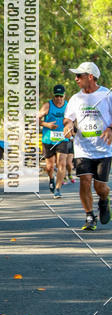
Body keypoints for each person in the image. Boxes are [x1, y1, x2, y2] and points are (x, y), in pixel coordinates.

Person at [63, 62, 112, 231]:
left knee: (100, 187)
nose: (76, 79)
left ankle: (104, 201)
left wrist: (110, 128)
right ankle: (90, 216)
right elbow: (68, 118)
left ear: (90, 77)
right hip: (82, 148)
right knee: (85, 181)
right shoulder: (76, 98)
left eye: (79, 76)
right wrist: (68, 125)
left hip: (103, 149)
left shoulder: (107, 95)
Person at [39, 84, 71, 199]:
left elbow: (74, 119)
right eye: (56, 96)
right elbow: (35, 119)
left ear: (64, 95)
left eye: (61, 96)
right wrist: (46, 124)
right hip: (48, 139)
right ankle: (51, 178)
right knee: (49, 167)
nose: (59, 98)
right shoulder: (48, 105)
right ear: (54, 95)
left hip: (62, 139)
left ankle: (57, 189)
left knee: (61, 163)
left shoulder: (68, 106)